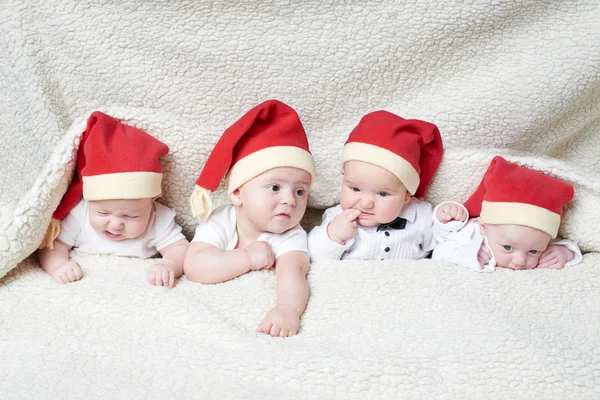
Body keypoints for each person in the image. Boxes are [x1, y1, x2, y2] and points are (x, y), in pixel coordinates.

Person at [184, 100, 315, 337]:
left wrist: (287, 309)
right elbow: (195, 267)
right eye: (275, 187)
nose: (290, 200)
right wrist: (247, 257)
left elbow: (292, 274)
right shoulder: (222, 219)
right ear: (237, 193)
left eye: (300, 191)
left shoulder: (291, 234)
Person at [38, 111, 189, 287]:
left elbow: (180, 248)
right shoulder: (80, 213)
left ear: (152, 203)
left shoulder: (158, 218)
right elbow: (52, 244)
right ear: (90, 201)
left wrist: (168, 264)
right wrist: (58, 265)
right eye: (103, 213)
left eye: (131, 216)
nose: (116, 224)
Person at [308, 111, 445, 262]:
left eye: (382, 194)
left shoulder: (420, 214)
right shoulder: (337, 218)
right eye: (355, 189)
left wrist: (450, 221)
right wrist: (334, 236)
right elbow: (314, 258)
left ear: (406, 195)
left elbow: (444, 245)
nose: (366, 203)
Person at [432, 156, 582, 272]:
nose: (520, 261)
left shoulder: (536, 239)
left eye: (533, 252)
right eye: (508, 248)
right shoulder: (472, 233)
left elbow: (564, 245)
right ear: (484, 228)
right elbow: (439, 252)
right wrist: (468, 254)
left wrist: (564, 252)